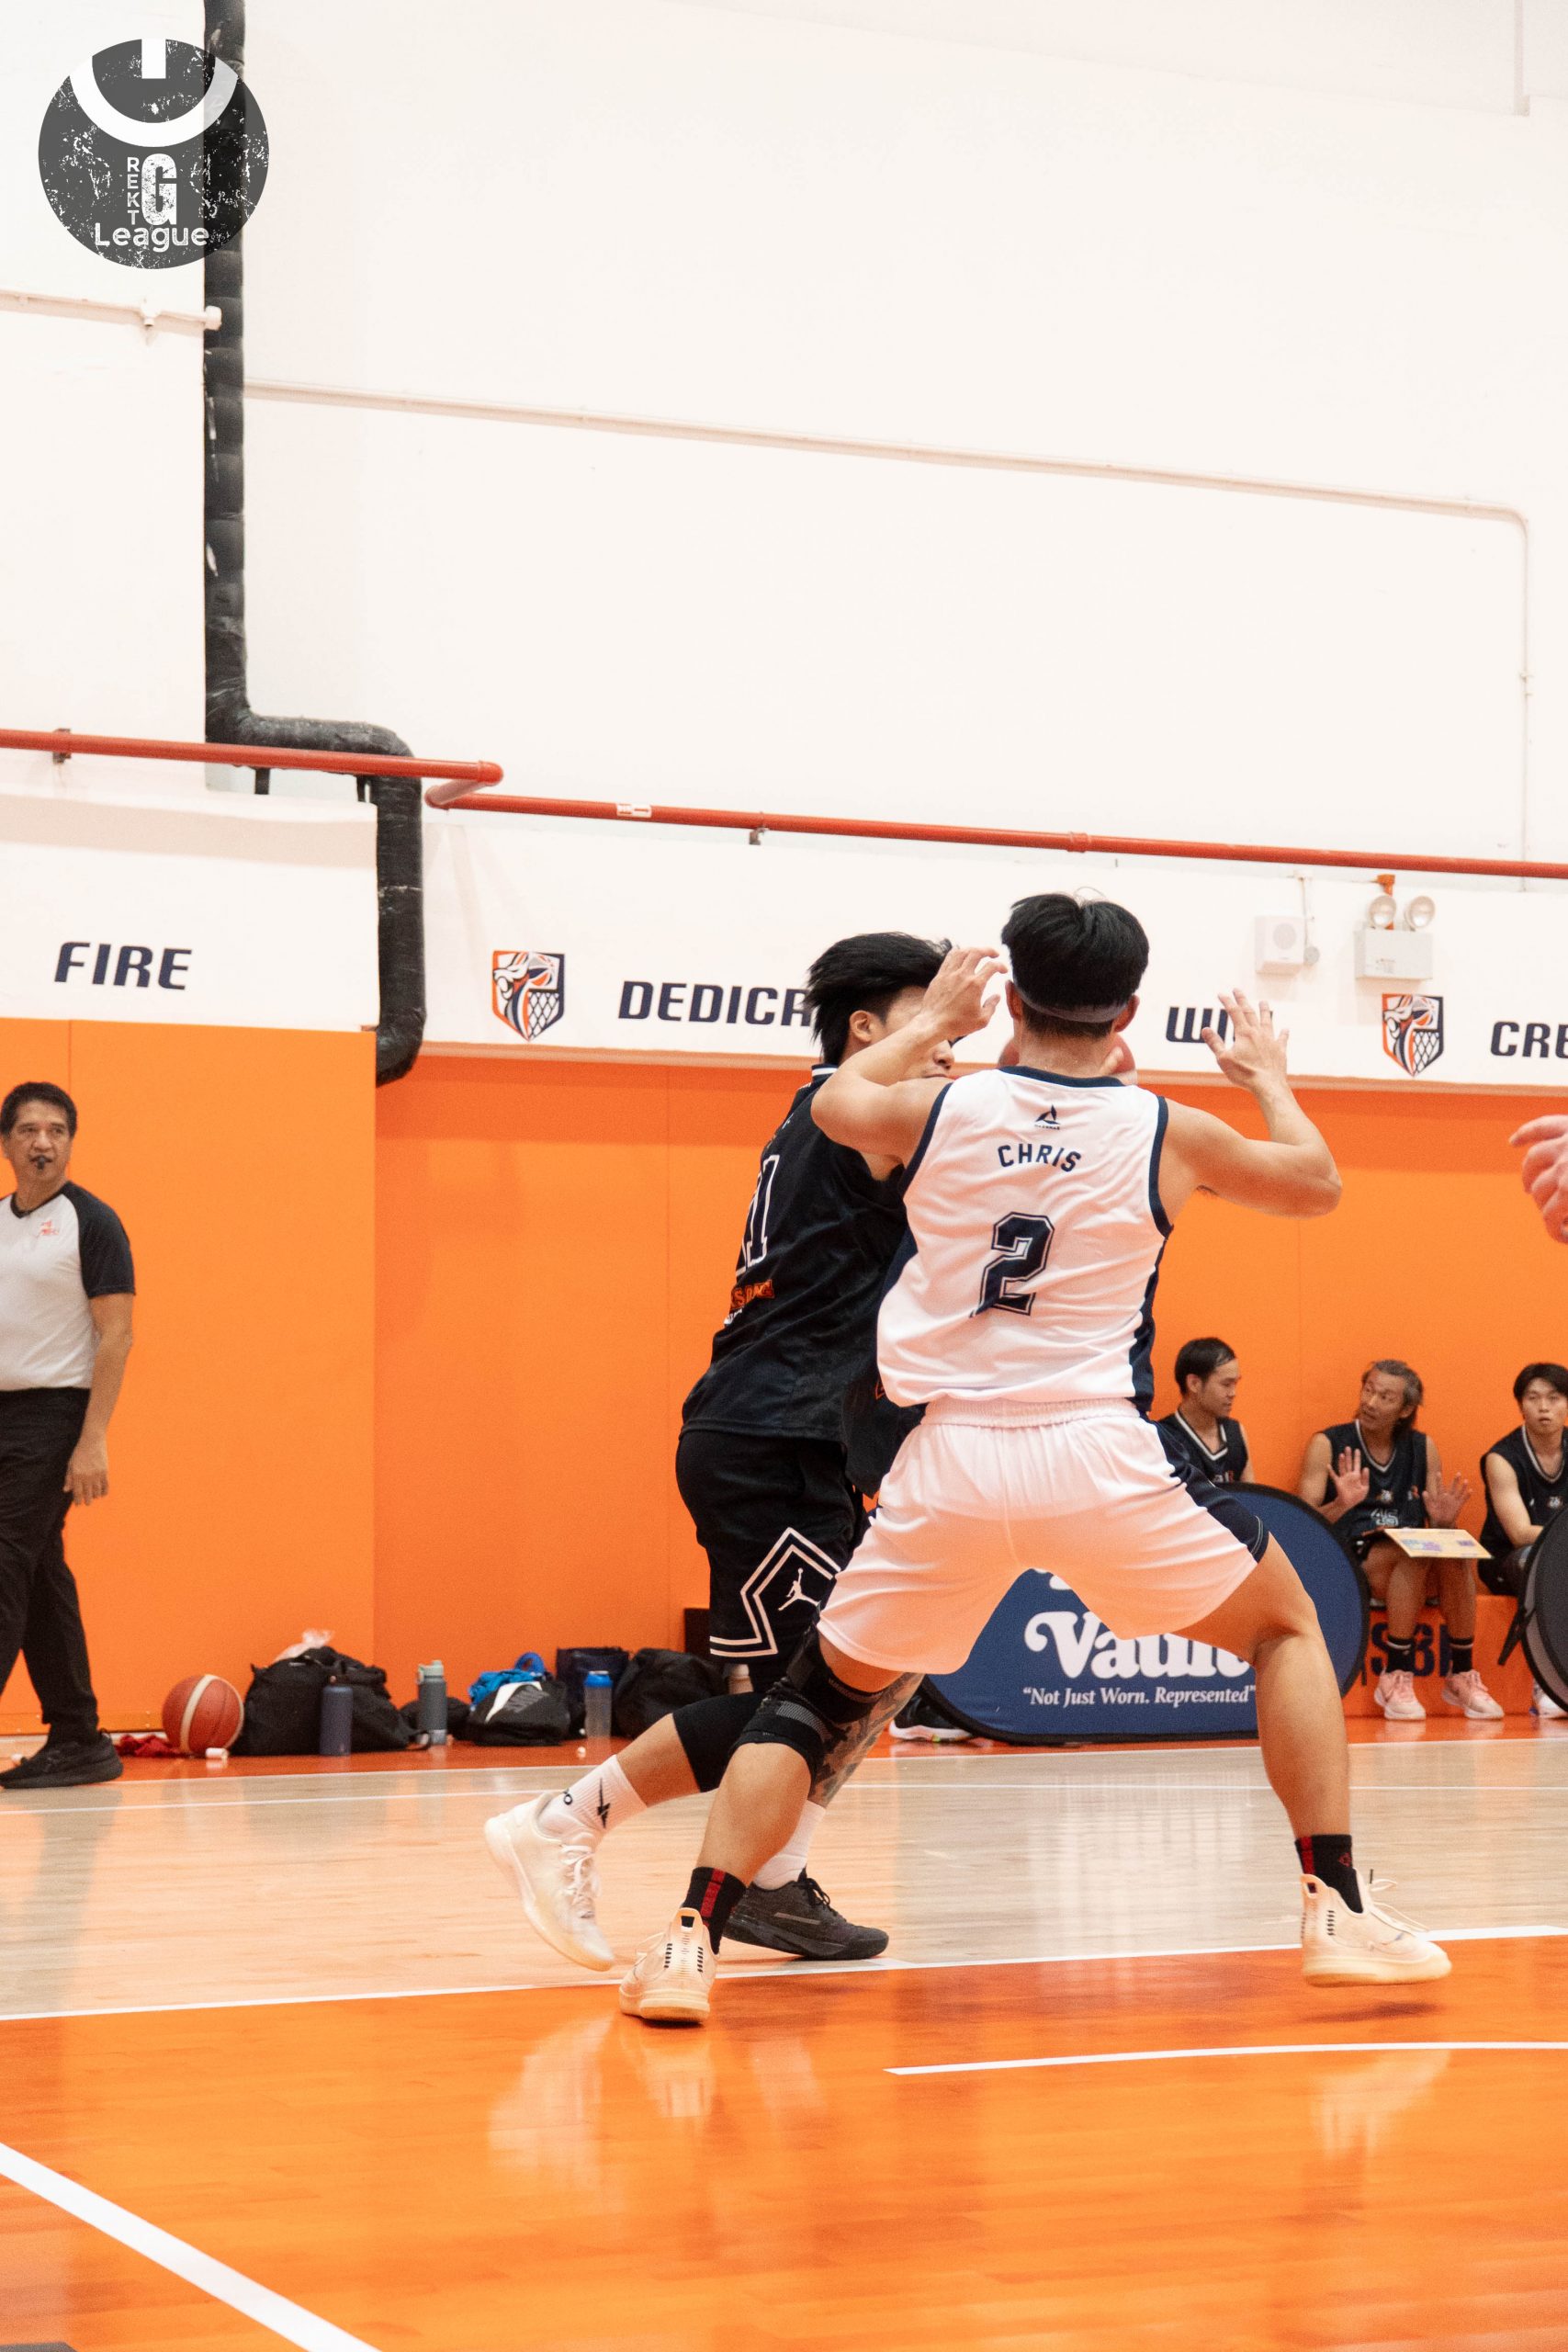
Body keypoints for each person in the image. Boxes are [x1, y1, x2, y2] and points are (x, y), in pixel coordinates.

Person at [618, 898, 1449, 2024]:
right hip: (1095, 1453)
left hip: (949, 1459)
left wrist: (933, 1023)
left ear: (1008, 998)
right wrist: (1266, 1076)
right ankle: (1338, 1908)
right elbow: (1317, 1182)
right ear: (1130, 1013)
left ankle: (688, 1942)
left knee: (810, 1703)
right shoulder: (1166, 1128)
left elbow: (835, 1101)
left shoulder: (941, 1105)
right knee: (1287, 1629)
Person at [485, 932, 953, 1964]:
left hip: (798, 1434)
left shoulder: (828, 1116)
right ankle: (561, 1823)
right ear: (865, 1029)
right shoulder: (850, 1117)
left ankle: (774, 1880)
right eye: (930, 1020)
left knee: (883, 1668)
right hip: (768, 1433)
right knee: (810, 1697)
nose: (949, 1044)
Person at [0, 1082, 134, 1791]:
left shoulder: (93, 1221)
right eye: (29, 1130)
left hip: (55, 1416)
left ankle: (78, 1735)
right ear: (7, 1144)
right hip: (3, 1413)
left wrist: (93, 1439)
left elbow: (117, 1335)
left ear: (70, 1143)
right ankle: (79, 1737)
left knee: (3, 1562)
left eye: (56, 1130)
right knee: (40, 1575)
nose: (43, 1142)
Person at [1298, 1363, 1493, 1722]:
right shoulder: (1327, 1443)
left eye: (1385, 1397)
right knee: (1414, 1553)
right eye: (1368, 1390)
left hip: (1411, 1564)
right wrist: (1341, 1504)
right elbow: (1303, 1528)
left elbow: (1436, 1524)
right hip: (1354, 1556)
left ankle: (1462, 1673)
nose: (1370, 1402)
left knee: (1452, 1550)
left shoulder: (1422, 1447)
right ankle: (1396, 1672)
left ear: (1405, 1410)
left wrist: (1444, 1521)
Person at [1479, 1362, 1568, 1721]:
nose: (1544, 1407)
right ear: (1521, 1405)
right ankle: (1547, 1682)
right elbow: (1518, 1532)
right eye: (1533, 1398)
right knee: (1542, 1564)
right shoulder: (1502, 1457)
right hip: (1509, 1558)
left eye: (1554, 1397)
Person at [1157, 1337, 1250, 1487]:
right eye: (1226, 1384)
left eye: (1235, 1383)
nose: (1233, 1393)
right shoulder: (1163, 1438)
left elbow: (1252, 1496)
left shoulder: (1236, 1432)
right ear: (1194, 1383)